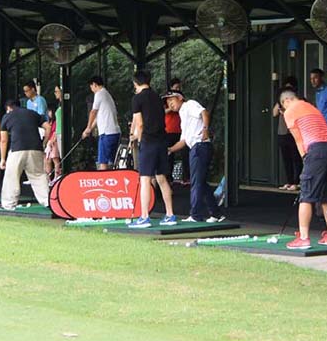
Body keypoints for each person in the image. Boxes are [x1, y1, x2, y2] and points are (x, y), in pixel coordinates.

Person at [281, 89, 327, 249]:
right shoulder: (312, 107)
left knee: (306, 194)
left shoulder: (290, 111)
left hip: (316, 149)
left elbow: (299, 140)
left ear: (286, 101)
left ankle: (304, 238)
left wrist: (305, 159)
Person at [127, 70, 176, 228]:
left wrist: (138, 139)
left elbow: (139, 123)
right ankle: (170, 215)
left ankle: (144, 217)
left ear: (136, 83)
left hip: (148, 141)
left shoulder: (137, 98)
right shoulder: (157, 96)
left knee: (145, 179)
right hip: (162, 141)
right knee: (161, 178)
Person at [166, 91, 222, 223]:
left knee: (196, 182)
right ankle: (216, 213)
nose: (170, 104)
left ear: (180, 98)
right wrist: (170, 150)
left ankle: (196, 215)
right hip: (196, 147)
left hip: (200, 146)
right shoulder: (182, 115)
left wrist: (205, 129)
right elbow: (184, 140)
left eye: (172, 100)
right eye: (168, 102)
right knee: (201, 182)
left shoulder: (189, 105)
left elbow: (204, 113)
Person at [0, 98, 50, 209]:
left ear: (9, 108)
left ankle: (9, 204)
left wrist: (2, 159)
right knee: (38, 176)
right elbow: (48, 127)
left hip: (17, 150)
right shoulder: (32, 114)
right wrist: (44, 142)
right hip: (36, 148)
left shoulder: (7, 116)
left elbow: (3, 140)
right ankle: (48, 201)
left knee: (12, 176)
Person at [81, 76, 120, 172]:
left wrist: (88, 127)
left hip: (107, 133)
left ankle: (103, 183)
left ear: (94, 84)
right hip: (114, 132)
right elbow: (98, 117)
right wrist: (89, 129)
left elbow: (93, 112)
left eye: (91, 87)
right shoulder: (107, 94)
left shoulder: (99, 94)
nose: (92, 89)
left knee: (103, 163)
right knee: (111, 162)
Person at [273, 76, 301, 191]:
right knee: (286, 158)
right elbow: (274, 113)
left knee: (296, 158)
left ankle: (297, 182)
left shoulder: (298, 100)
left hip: (293, 132)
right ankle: (289, 181)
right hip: (282, 132)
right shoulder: (281, 101)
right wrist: (279, 104)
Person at [44, 107, 62, 179]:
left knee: (55, 159)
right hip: (49, 142)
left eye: (50, 111)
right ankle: (48, 177)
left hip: (54, 142)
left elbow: (55, 133)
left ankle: (56, 176)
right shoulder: (49, 122)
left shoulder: (55, 122)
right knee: (47, 159)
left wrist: (50, 142)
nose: (49, 113)